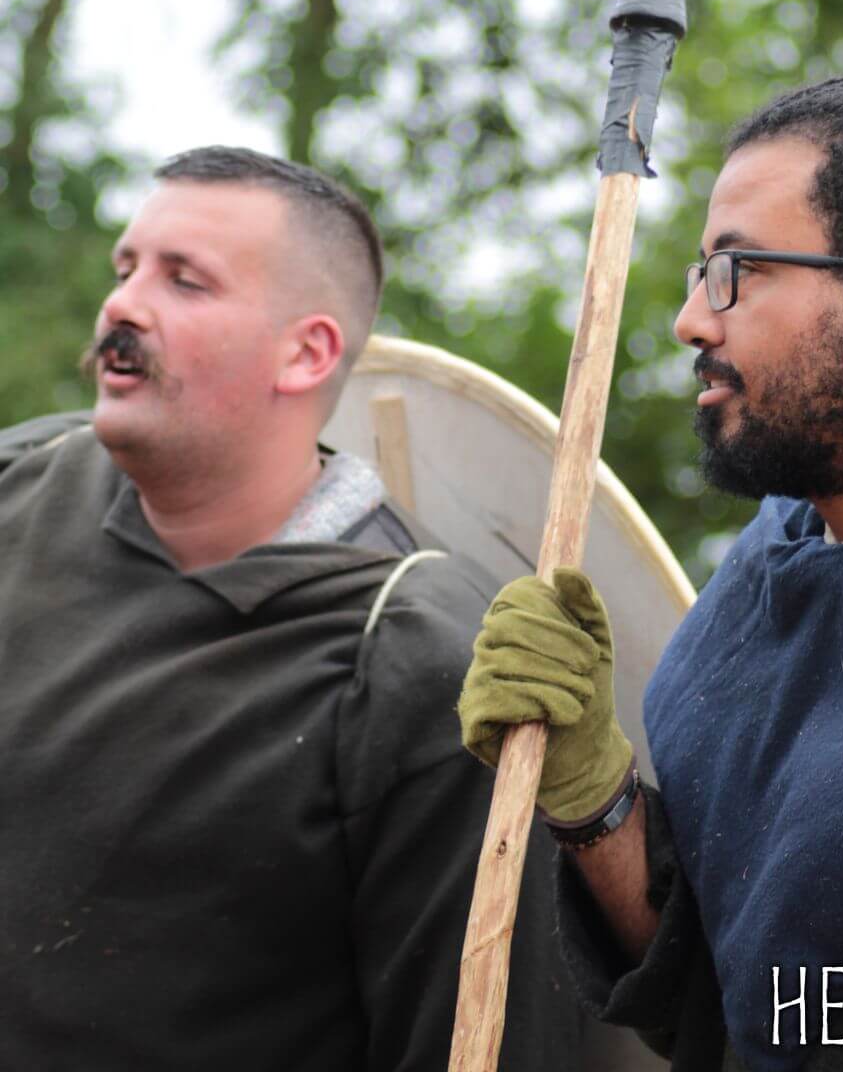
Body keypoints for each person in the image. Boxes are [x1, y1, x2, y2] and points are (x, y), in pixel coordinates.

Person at [460, 60, 843, 1071]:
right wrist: (593, 796)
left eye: (735, 270)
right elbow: (733, 1009)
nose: (692, 320)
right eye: (700, 272)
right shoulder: (765, 580)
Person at [0, 146, 580, 1071]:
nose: (122, 306)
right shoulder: (18, 484)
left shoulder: (418, 660)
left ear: (305, 353)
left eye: (184, 282)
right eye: (126, 268)